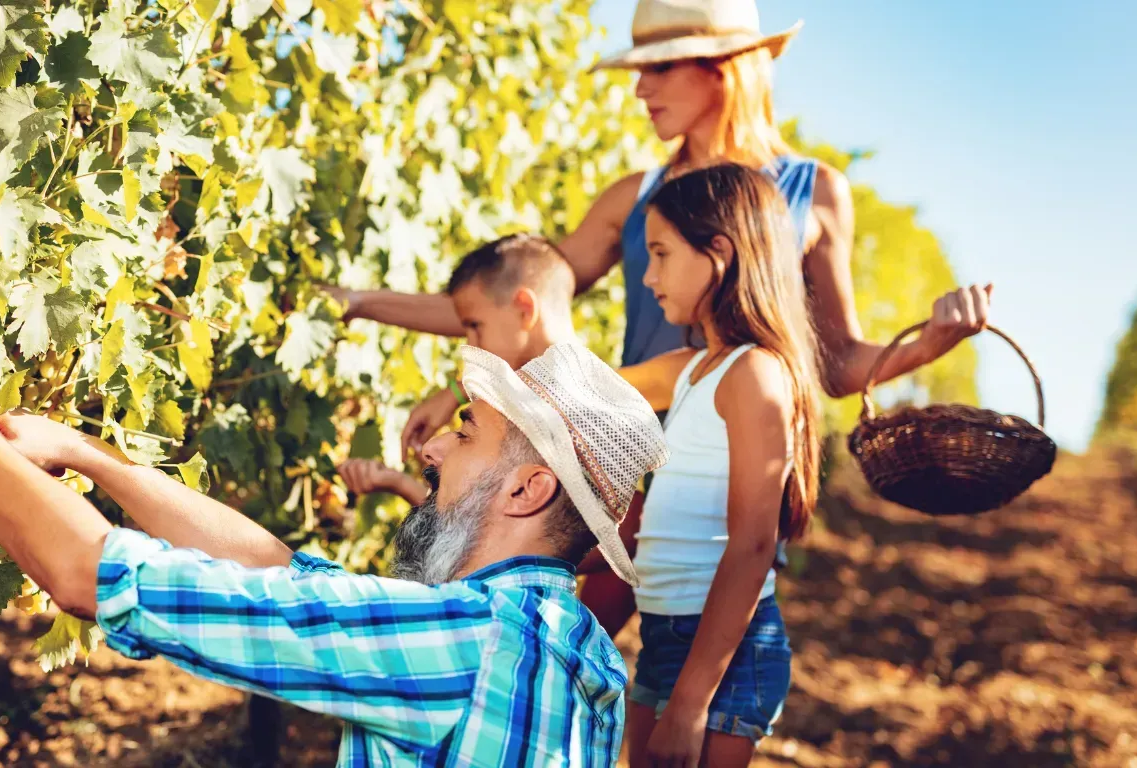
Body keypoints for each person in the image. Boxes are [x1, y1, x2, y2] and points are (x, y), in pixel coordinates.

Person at [327, 0, 993, 640]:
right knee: (572, 639)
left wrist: (928, 344)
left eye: (660, 67)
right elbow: (507, 300)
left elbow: (838, 363)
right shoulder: (634, 201)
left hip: (736, 472)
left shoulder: (812, 194)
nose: (641, 89)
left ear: (724, 67)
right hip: (630, 467)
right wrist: (364, 307)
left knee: (704, 672)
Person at [0, 342, 669, 767]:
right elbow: (287, 577)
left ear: (525, 491)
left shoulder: (467, 644)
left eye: (466, 434)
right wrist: (89, 455)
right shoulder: (571, 644)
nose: (431, 453)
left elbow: (89, 574)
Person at [615, 163, 825, 767]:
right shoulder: (692, 369)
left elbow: (753, 545)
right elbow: (581, 387)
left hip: (718, 656)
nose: (649, 277)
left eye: (660, 254)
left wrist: (688, 704)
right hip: (664, 635)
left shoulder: (754, 375)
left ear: (720, 253)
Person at [338, 233, 580, 505]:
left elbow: (484, 531)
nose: (469, 344)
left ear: (525, 309)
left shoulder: (565, 417)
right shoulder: (531, 398)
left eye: (475, 326)